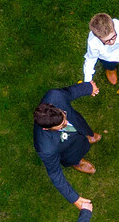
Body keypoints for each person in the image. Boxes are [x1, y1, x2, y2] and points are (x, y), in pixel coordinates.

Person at [33, 81, 103, 209]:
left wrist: (88, 87)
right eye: (62, 125)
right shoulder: (45, 148)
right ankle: (77, 162)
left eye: (64, 116)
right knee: (73, 157)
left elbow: (71, 92)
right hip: (68, 151)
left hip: (79, 126)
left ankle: (88, 135)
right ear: (46, 129)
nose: (66, 122)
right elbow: (54, 173)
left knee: (83, 130)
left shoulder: (54, 96)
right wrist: (74, 198)